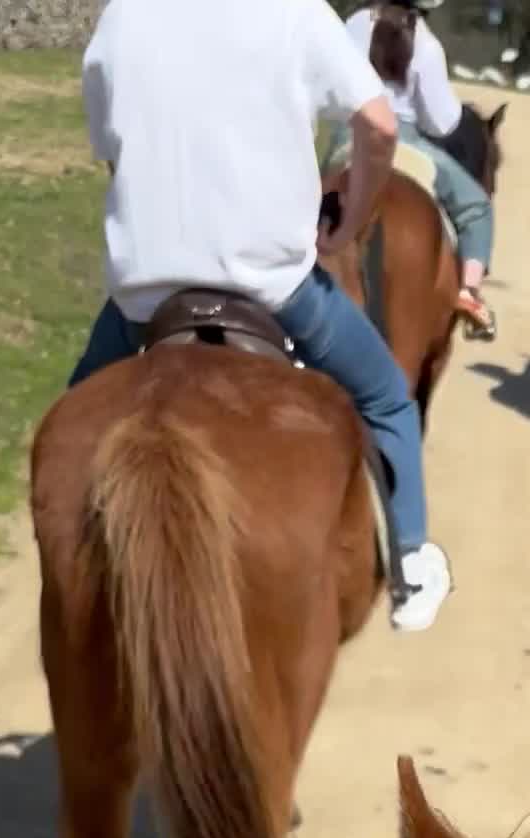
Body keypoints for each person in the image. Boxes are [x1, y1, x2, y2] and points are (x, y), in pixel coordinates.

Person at [68, 0, 451, 634]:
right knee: (386, 398)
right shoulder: (296, 12)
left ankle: (67, 568)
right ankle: (411, 562)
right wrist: (350, 223)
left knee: (72, 418)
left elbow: (113, 152)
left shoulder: (123, 16)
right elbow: (380, 127)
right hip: (275, 289)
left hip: (144, 300)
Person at [343, 0, 497, 340]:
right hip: (405, 141)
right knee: (477, 209)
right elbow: (442, 124)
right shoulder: (425, 44)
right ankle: (469, 293)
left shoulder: (354, 23)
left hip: (349, 136)